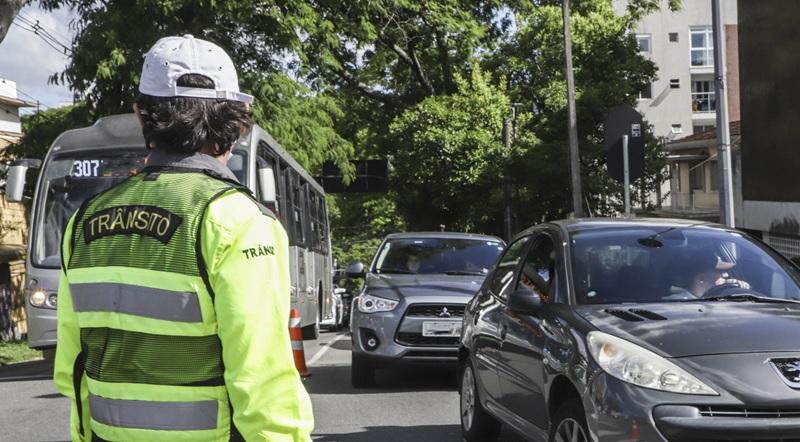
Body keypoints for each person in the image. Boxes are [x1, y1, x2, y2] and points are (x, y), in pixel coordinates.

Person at [53, 35, 313, 441]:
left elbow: (73, 365)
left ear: (141, 114)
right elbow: (262, 375)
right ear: (239, 120)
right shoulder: (238, 220)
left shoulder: (84, 221)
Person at [683, 248, 750, 297]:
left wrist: (742, 291)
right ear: (701, 279)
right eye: (720, 271)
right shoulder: (681, 304)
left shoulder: (715, 299)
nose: (726, 275)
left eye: (725, 271)